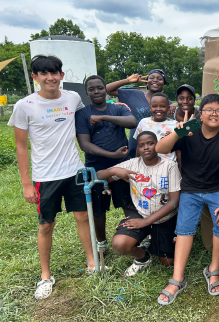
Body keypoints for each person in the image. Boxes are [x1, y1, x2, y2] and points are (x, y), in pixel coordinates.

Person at [8, 55, 95, 300]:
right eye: (44, 74)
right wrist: (26, 183)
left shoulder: (73, 98)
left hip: (74, 171)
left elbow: (86, 119)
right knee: (46, 225)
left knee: (82, 217)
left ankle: (92, 264)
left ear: (62, 75)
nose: (50, 78)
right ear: (35, 77)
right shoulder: (24, 105)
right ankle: (46, 276)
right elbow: (21, 147)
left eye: (54, 73)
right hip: (45, 176)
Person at [156, 94, 219, 306]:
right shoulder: (188, 133)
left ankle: (213, 270)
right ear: (200, 114)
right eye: (209, 109)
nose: (214, 113)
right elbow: (160, 149)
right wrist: (178, 133)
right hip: (190, 189)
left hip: (216, 189)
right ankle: (177, 278)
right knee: (184, 230)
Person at [96, 131, 181, 276]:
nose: (146, 147)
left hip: (165, 217)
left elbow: (174, 201)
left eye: (150, 143)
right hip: (140, 213)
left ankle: (155, 238)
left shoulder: (170, 166)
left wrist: (146, 222)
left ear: (157, 145)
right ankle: (143, 257)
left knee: (167, 262)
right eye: (141, 145)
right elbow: (98, 176)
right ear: (138, 149)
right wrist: (115, 170)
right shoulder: (132, 164)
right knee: (119, 244)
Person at [75, 75, 138, 254]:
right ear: (87, 93)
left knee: (128, 203)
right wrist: (111, 154)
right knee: (98, 208)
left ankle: (133, 237)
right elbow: (85, 145)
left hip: (122, 165)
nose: (96, 92)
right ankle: (101, 242)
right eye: (92, 89)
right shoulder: (82, 114)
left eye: (100, 88)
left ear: (105, 89)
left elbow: (132, 122)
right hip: (96, 167)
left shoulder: (117, 109)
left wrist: (103, 117)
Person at [105, 69, 174, 158]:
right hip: (136, 146)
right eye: (151, 77)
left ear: (164, 84)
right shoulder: (133, 94)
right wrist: (127, 80)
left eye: (160, 79)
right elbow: (106, 89)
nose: (155, 80)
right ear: (146, 82)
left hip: (158, 150)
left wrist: (175, 104)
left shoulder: (168, 104)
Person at [133, 92, 177, 162]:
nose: (158, 109)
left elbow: (178, 150)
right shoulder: (143, 123)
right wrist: (137, 163)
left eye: (162, 106)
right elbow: (139, 146)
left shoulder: (175, 125)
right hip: (147, 164)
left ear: (168, 108)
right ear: (150, 108)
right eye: (154, 106)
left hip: (169, 165)